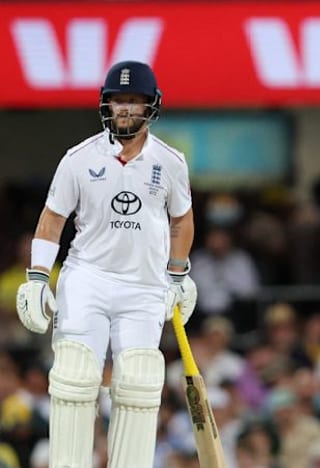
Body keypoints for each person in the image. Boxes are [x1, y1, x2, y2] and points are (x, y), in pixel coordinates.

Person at [15, 60, 196, 468]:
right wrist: (37, 278)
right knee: (75, 376)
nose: (126, 109)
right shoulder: (78, 159)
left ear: (151, 106)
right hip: (87, 277)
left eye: (134, 101)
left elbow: (181, 219)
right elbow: (52, 218)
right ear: (106, 105)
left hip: (144, 285)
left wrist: (178, 274)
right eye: (119, 101)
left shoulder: (170, 161)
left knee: (138, 380)